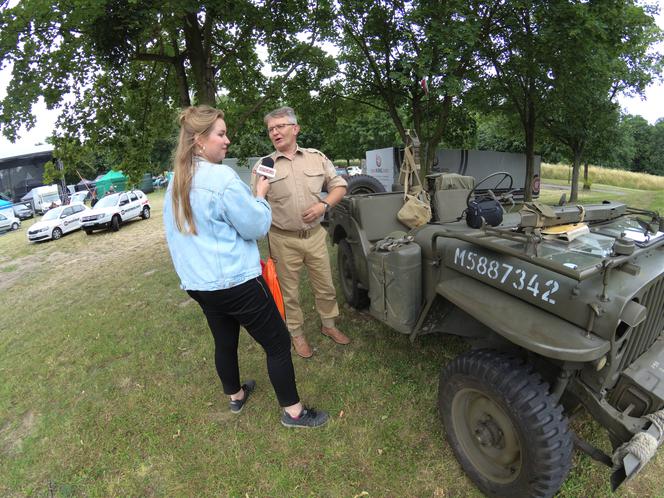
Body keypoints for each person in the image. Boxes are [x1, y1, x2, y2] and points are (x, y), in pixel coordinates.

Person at [163, 105, 328, 428]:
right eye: (221, 135)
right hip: (236, 283)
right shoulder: (221, 177)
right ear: (199, 140)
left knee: (224, 339)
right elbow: (254, 226)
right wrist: (261, 195)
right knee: (278, 343)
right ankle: (293, 412)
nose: (227, 141)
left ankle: (235, 395)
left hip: (200, 285)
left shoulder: (176, 181)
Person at [252, 106, 348, 358]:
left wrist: (323, 205)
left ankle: (329, 325)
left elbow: (339, 186)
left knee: (325, 285)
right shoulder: (265, 165)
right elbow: (255, 202)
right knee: (289, 293)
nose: (275, 132)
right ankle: (296, 334)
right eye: (271, 129)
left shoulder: (317, 158)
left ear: (295, 129)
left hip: (315, 236)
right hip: (283, 239)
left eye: (280, 126)